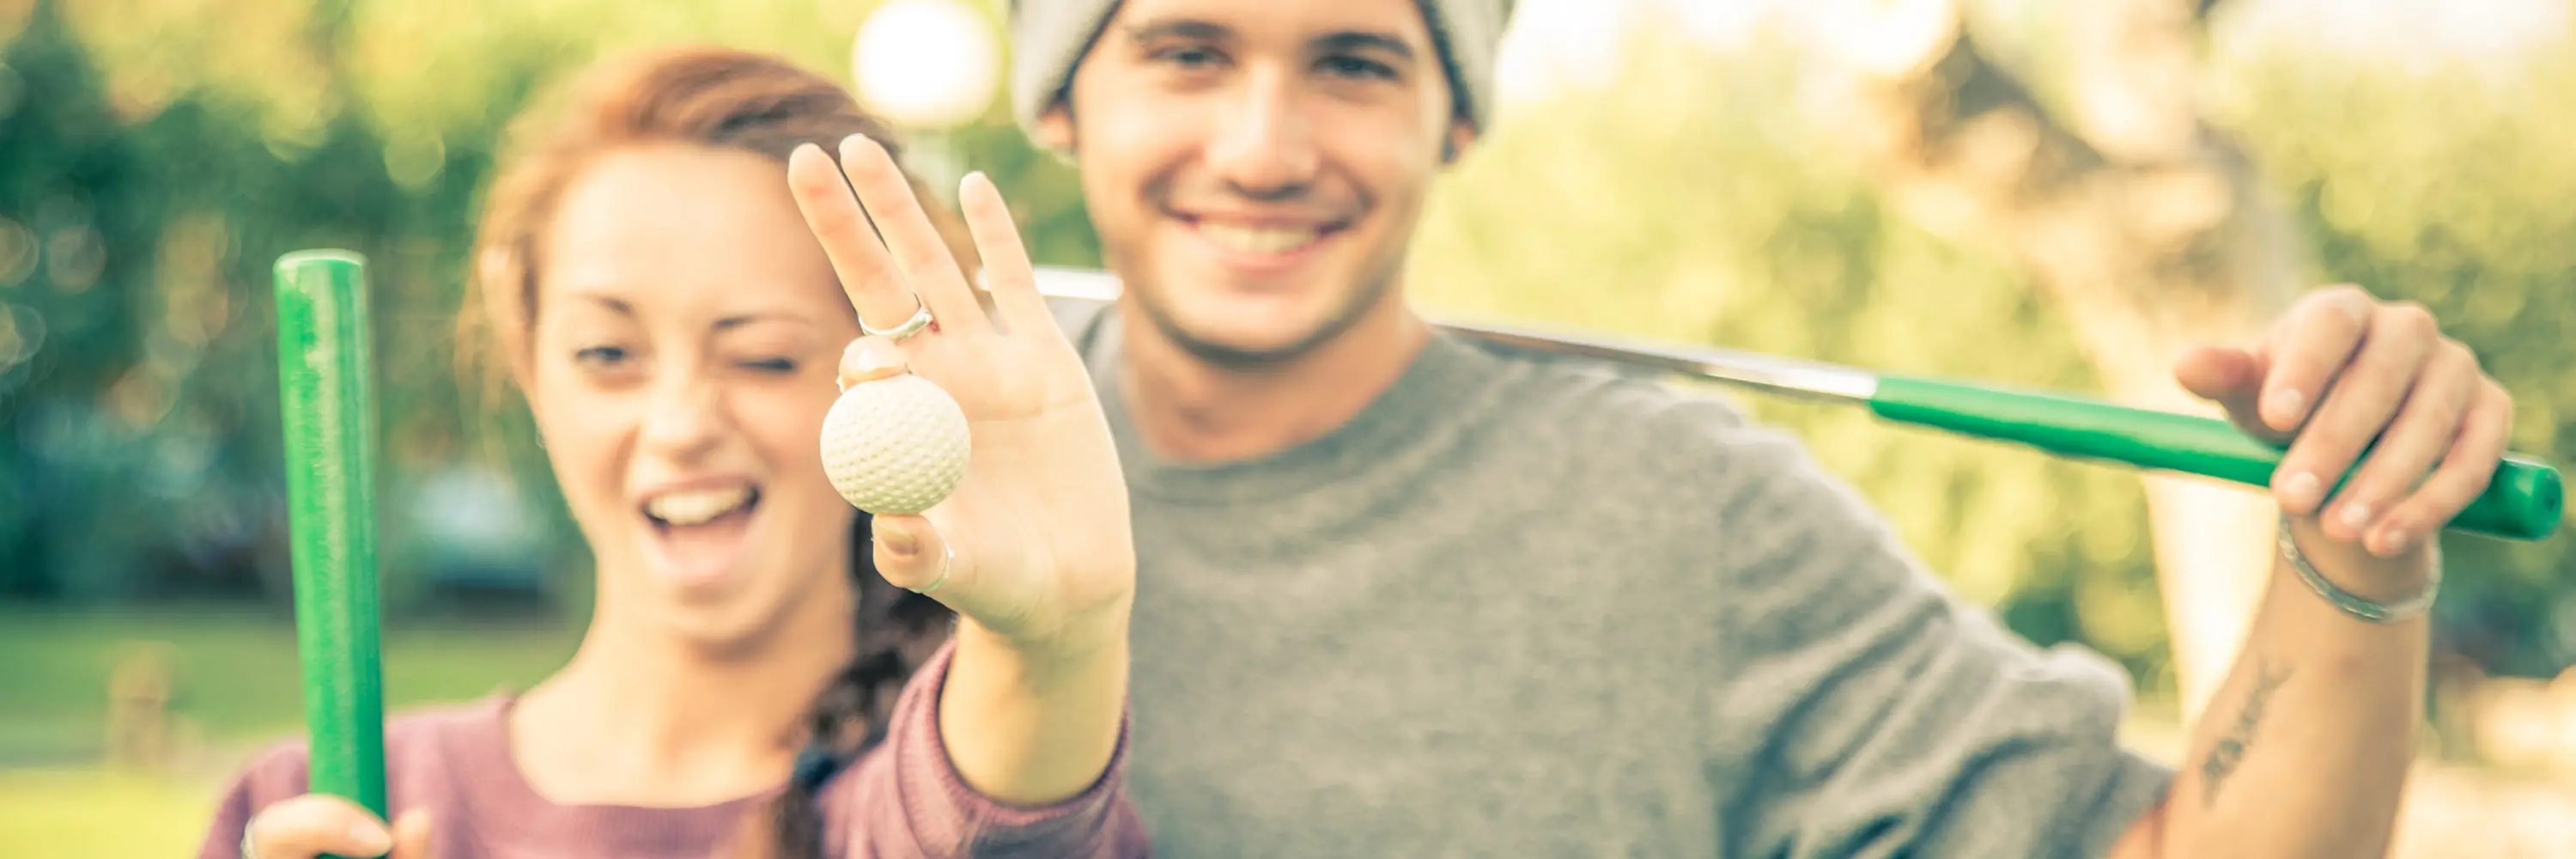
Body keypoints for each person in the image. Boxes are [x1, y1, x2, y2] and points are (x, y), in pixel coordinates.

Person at [1004, 0, 2518, 856]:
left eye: (1354, 62)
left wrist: (2352, 557)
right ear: (1062, 102)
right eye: (1187, 51)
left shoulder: (1672, 509)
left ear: (1455, 118)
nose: (1264, 149)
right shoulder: (905, 441)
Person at [199, 47, 1149, 859]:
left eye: (764, 356)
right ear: (526, 359)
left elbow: (991, 808)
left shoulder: (921, 808)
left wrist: (1054, 646)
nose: (682, 421)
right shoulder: (310, 807)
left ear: (898, 377)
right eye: (608, 354)